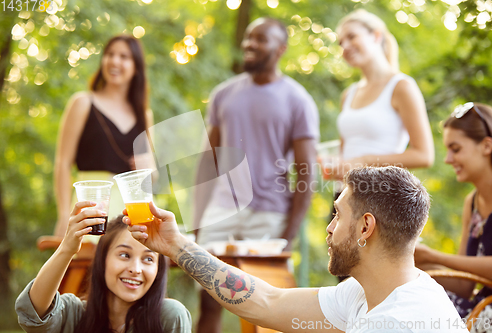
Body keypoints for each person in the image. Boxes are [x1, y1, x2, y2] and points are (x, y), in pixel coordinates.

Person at [127, 166, 468, 333]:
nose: (329, 228)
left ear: (366, 227)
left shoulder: (395, 323)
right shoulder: (372, 292)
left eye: (337, 215)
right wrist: (176, 246)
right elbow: (267, 302)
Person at [192, 17, 319, 332]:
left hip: (269, 215)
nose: (249, 44)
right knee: (208, 301)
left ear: (280, 49)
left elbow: (307, 172)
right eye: (248, 38)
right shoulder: (224, 94)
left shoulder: (298, 100)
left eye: (260, 39)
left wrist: (287, 235)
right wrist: (197, 219)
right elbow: (207, 163)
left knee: (266, 310)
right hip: (221, 211)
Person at [16, 203, 192, 333]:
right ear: (103, 259)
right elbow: (33, 312)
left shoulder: (169, 317)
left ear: (158, 270)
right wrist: (67, 249)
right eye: (124, 255)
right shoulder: (74, 314)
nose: (136, 269)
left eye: (148, 259)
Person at [54, 35, 154, 238]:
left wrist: (150, 167)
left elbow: (151, 175)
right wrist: (64, 214)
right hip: (92, 204)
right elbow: (62, 163)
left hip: (132, 212)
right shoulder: (83, 103)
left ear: (136, 67)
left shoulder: (145, 115)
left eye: (124, 56)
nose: (115, 61)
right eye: (110, 54)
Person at [415, 102, 492, 328]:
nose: (447, 159)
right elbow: (464, 287)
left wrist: (434, 257)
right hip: (481, 310)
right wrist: (409, 262)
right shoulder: (471, 203)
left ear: (486, 146)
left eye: (456, 149)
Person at [325, 10, 434, 180]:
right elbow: (347, 152)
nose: (344, 47)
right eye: (340, 42)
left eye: (352, 37)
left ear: (376, 36)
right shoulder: (349, 94)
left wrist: (365, 161)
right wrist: (337, 163)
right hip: (345, 194)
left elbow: (424, 156)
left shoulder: (401, 87)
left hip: (380, 197)